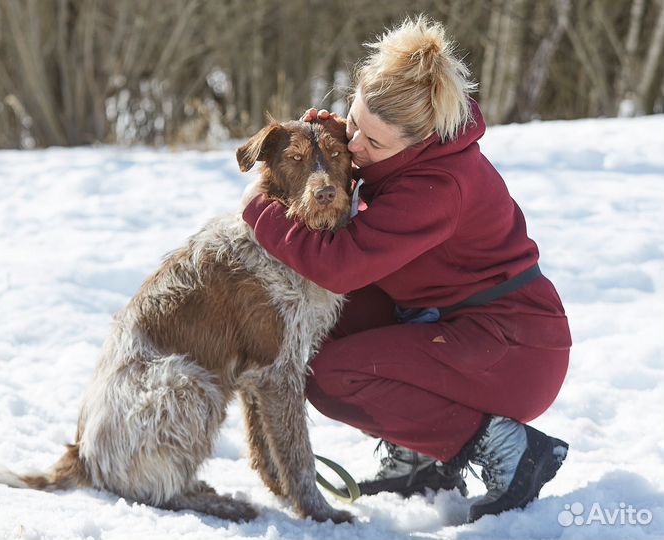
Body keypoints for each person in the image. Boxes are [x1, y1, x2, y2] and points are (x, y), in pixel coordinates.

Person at [242, 15, 571, 523]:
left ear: (417, 142)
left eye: (372, 143)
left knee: (330, 375)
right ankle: (419, 454)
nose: (354, 148)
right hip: (448, 322)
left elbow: (341, 264)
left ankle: (510, 448)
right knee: (322, 331)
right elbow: (356, 174)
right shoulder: (400, 157)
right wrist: (326, 142)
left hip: (513, 349)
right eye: (353, 122)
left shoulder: (439, 184)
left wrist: (259, 209)